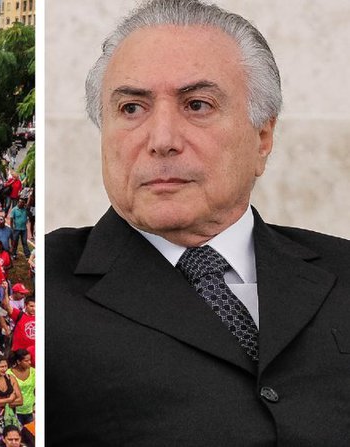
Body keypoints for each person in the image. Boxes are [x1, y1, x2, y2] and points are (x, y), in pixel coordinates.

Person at [47, 0, 350, 443]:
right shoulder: (50, 289)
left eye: (197, 104)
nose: (162, 140)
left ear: (263, 137)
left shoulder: (341, 270)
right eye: (132, 109)